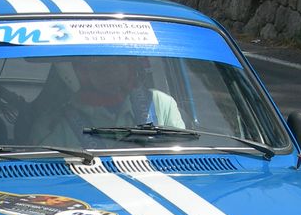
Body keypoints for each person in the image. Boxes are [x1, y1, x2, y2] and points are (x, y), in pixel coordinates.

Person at [26, 56, 185, 148]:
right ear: (81, 72)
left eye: (118, 62)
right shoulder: (53, 125)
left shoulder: (160, 104)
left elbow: (182, 159)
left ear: (131, 66)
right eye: (98, 65)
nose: (110, 72)